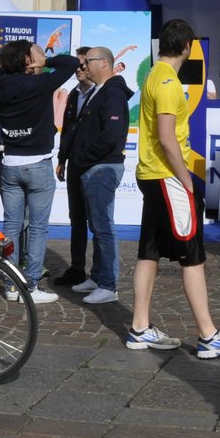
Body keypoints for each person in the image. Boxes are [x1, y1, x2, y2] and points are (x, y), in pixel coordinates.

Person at [128, 19, 220, 358]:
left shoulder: (155, 75)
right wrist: (185, 178)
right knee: (192, 254)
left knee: (149, 251)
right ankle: (209, 335)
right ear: (187, 47)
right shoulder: (167, 81)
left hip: (152, 173)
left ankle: (139, 327)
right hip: (167, 176)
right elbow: (168, 137)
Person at [0, 38, 81, 302]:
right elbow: (72, 62)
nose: (40, 56)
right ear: (27, 61)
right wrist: (46, 62)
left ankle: (10, 286)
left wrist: (32, 63)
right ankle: (29, 287)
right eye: (35, 54)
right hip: (38, 165)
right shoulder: (39, 83)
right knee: (38, 229)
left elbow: (5, 71)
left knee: (11, 226)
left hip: (10, 164)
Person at [63, 46, 131, 304]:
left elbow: (111, 135)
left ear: (103, 63)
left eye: (87, 61)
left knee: (104, 228)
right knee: (97, 225)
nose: (83, 66)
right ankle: (98, 275)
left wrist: (82, 156)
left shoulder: (112, 93)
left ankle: (109, 284)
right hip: (94, 166)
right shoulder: (99, 92)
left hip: (102, 168)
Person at [55, 47, 96, 288]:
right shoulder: (73, 94)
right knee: (77, 218)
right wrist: (62, 159)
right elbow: (68, 129)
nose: (78, 70)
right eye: (76, 66)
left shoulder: (101, 93)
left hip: (95, 166)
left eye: (82, 65)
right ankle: (77, 268)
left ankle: (100, 274)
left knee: (99, 222)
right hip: (74, 165)